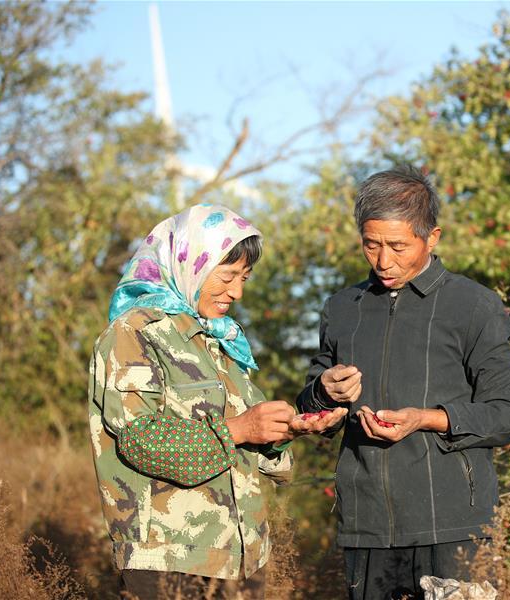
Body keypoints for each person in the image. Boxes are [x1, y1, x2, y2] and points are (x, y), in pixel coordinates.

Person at [88, 204, 345, 600]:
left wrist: (286, 430)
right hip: (169, 558)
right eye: (227, 276)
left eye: (245, 277)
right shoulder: (134, 334)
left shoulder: (221, 340)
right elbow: (140, 440)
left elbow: (250, 442)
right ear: (189, 264)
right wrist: (241, 429)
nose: (237, 292)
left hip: (243, 556)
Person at [296, 165, 510, 599]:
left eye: (398, 246)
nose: (383, 261)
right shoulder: (342, 309)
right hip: (366, 528)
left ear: (432, 237)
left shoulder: (474, 306)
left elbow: (509, 415)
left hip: (455, 527)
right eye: (371, 244)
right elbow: (309, 409)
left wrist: (426, 418)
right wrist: (324, 393)